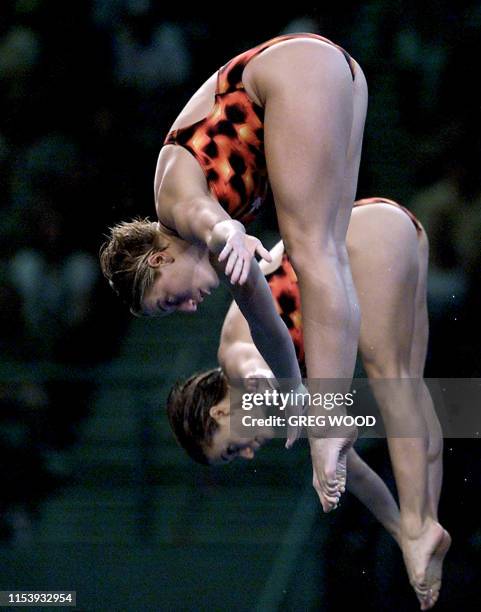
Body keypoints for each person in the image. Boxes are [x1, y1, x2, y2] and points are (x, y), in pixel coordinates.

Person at [100, 32, 368, 512]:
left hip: (294, 72)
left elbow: (208, 219)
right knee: (328, 254)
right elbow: (268, 328)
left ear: (158, 259)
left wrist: (227, 233)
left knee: (315, 254)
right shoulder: (219, 253)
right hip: (339, 74)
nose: (187, 308)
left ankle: (331, 423)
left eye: (169, 300)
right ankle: (330, 418)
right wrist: (294, 397)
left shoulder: (175, 205)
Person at [166, 199, 450, 611]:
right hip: (394, 234)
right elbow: (363, 481)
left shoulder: (235, 359)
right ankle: (423, 529)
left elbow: (252, 366)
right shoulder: (290, 411)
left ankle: (420, 526)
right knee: (413, 395)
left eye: (231, 449)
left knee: (391, 376)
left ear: (220, 412)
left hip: (363, 236)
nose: (247, 454)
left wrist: (271, 390)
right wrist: (399, 538)